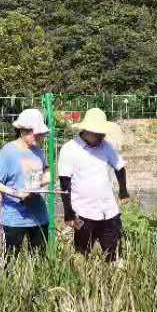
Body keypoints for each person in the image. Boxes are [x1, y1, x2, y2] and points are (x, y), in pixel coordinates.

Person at [58, 108, 128, 261]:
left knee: (114, 255)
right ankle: (83, 282)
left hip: (108, 210)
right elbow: (64, 182)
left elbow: (120, 167)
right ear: (86, 130)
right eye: (98, 133)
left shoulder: (106, 146)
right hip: (84, 212)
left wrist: (123, 191)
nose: (101, 136)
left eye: (103, 133)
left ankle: (114, 281)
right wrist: (68, 211)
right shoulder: (70, 149)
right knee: (82, 255)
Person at [0, 108, 51, 255]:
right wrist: (16, 193)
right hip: (14, 219)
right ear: (23, 131)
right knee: (10, 263)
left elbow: (46, 171)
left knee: (40, 262)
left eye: (41, 134)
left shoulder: (37, 150)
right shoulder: (8, 152)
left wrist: (42, 181)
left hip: (39, 217)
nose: (40, 137)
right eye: (37, 133)